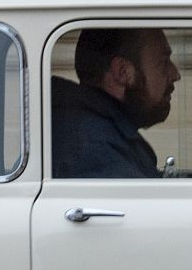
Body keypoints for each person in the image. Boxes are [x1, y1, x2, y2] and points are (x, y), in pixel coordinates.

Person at [51, 27, 180, 178]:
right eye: (163, 62)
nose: (175, 74)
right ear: (123, 72)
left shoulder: (105, 134)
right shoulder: (94, 150)